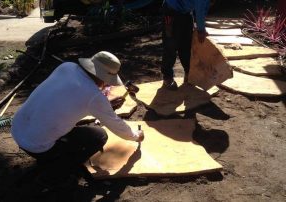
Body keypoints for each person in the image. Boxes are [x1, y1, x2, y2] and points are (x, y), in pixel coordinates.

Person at [11, 51, 144, 187]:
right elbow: (116, 125)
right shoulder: (94, 96)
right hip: (37, 145)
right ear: (102, 77)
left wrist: (105, 104)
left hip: (17, 128)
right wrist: (135, 136)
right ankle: (57, 172)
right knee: (99, 136)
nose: (105, 84)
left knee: (65, 129)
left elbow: (69, 100)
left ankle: (51, 157)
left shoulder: (67, 67)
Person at [161, 0, 210, 90]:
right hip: (171, 10)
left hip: (185, 12)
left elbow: (202, 8)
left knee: (187, 45)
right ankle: (167, 77)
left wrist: (200, 26)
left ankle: (189, 74)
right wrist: (201, 29)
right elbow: (200, 8)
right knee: (170, 44)